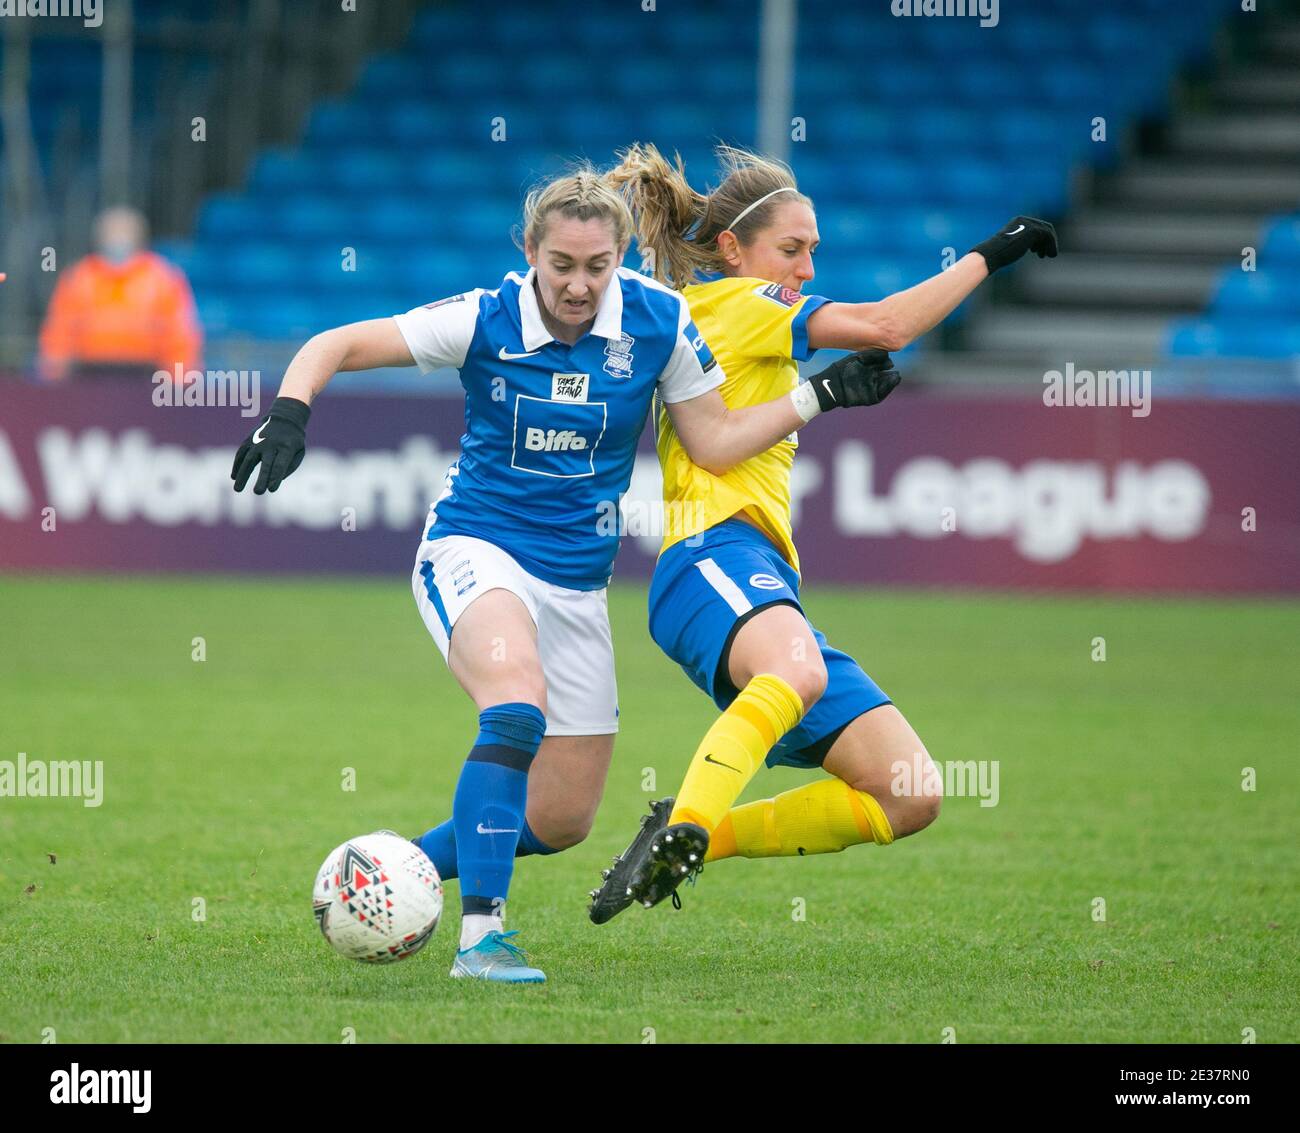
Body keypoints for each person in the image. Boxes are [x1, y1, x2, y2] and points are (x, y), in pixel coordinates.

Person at [230, 165, 898, 982]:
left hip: (578, 583)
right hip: (476, 548)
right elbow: (335, 343)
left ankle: (389, 870)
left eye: (597, 267)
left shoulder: (659, 322)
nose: (578, 286)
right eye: (561, 266)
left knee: (559, 816)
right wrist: (290, 411)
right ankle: (483, 940)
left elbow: (716, 441)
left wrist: (818, 395)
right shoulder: (486, 316)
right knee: (515, 707)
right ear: (530, 252)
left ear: (620, 256)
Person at [588, 143, 1058, 921]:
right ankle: (690, 824)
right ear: (733, 249)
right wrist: (993, 252)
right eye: (792, 249)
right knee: (798, 670)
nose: (806, 268)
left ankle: (682, 838)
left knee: (909, 793)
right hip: (710, 554)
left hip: (758, 575)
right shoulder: (735, 303)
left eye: (814, 251)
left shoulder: (730, 317)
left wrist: (820, 391)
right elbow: (885, 324)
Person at [37, 206, 202, 381]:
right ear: (99, 238)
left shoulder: (163, 278)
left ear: (139, 237)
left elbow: (180, 336)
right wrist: (54, 376)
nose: (118, 238)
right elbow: (58, 333)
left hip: (147, 377)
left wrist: (179, 381)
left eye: (124, 232)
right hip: (87, 376)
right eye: (111, 233)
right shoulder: (77, 278)